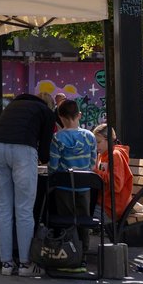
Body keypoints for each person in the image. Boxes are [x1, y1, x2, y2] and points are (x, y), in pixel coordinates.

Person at [0, 93, 56, 278]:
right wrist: (43, 160)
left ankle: (6, 263)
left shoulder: (11, 107)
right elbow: (44, 151)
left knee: (2, 208)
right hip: (23, 150)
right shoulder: (46, 112)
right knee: (24, 209)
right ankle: (26, 263)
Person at [48, 100, 97, 254]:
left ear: (60, 118)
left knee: (66, 219)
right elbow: (92, 164)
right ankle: (83, 251)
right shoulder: (90, 137)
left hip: (64, 187)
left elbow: (53, 167)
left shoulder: (57, 138)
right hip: (84, 186)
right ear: (79, 115)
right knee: (83, 219)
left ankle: (68, 251)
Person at [91, 124, 133, 222]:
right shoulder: (102, 155)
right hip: (104, 203)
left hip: (113, 208)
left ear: (109, 140)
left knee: (81, 216)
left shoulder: (115, 155)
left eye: (98, 142)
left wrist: (95, 171)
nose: (96, 146)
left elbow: (116, 185)